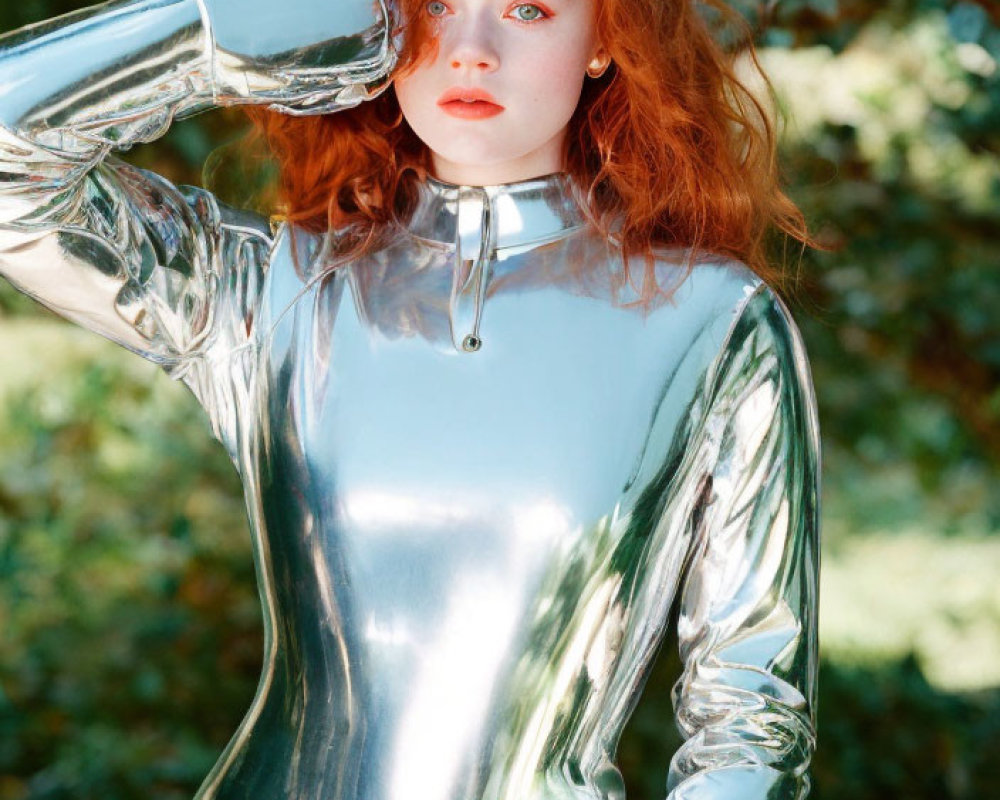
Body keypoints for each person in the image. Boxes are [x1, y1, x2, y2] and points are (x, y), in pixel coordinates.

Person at [0, 0, 820, 797]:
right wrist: (215, 29)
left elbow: (749, 717)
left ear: (606, 35)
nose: (471, 50)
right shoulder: (271, 292)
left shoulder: (713, 321)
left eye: (527, 11)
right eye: (434, 5)